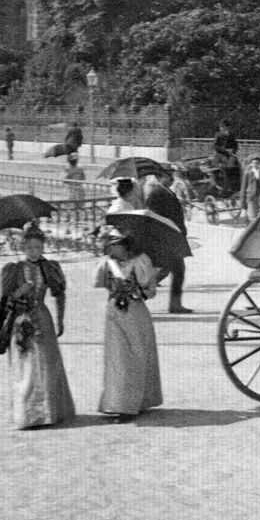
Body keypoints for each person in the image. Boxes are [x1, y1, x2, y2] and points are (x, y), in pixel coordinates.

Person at [0, 226, 76, 429]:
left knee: (47, 363)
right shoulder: (13, 270)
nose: (34, 251)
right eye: (30, 247)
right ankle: (27, 413)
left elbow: (59, 295)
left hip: (42, 317)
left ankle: (49, 412)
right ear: (23, 247)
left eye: (38, 247)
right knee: (26, 363)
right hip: (21, 320)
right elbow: (5, 301)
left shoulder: (49, 267)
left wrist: (61, 320)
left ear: (43, 248)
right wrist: (19, 292)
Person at [94, 227, 163, 423]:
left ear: (124, 245)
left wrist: (138, 291)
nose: (110, 249)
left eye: (114, 245)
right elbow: (100, 283)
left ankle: (136, 403)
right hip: (115, 313)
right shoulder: (107, 264)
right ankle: (118, 404)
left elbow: (150, 289)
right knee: (117, 359)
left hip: (135, 313)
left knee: (136, 357)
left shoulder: (140, 261)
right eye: (108, 245)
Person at [143, 174, 192, 314]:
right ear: (160, 178)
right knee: (166, 270)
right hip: (165, 238)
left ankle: (175, 304)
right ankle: (135, 298)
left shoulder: (168, 192)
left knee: (177, 271)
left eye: (171, 176)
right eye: (167, 176)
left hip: (174, 237)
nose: (170, 179)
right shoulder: (156, 193)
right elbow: (153, 217)